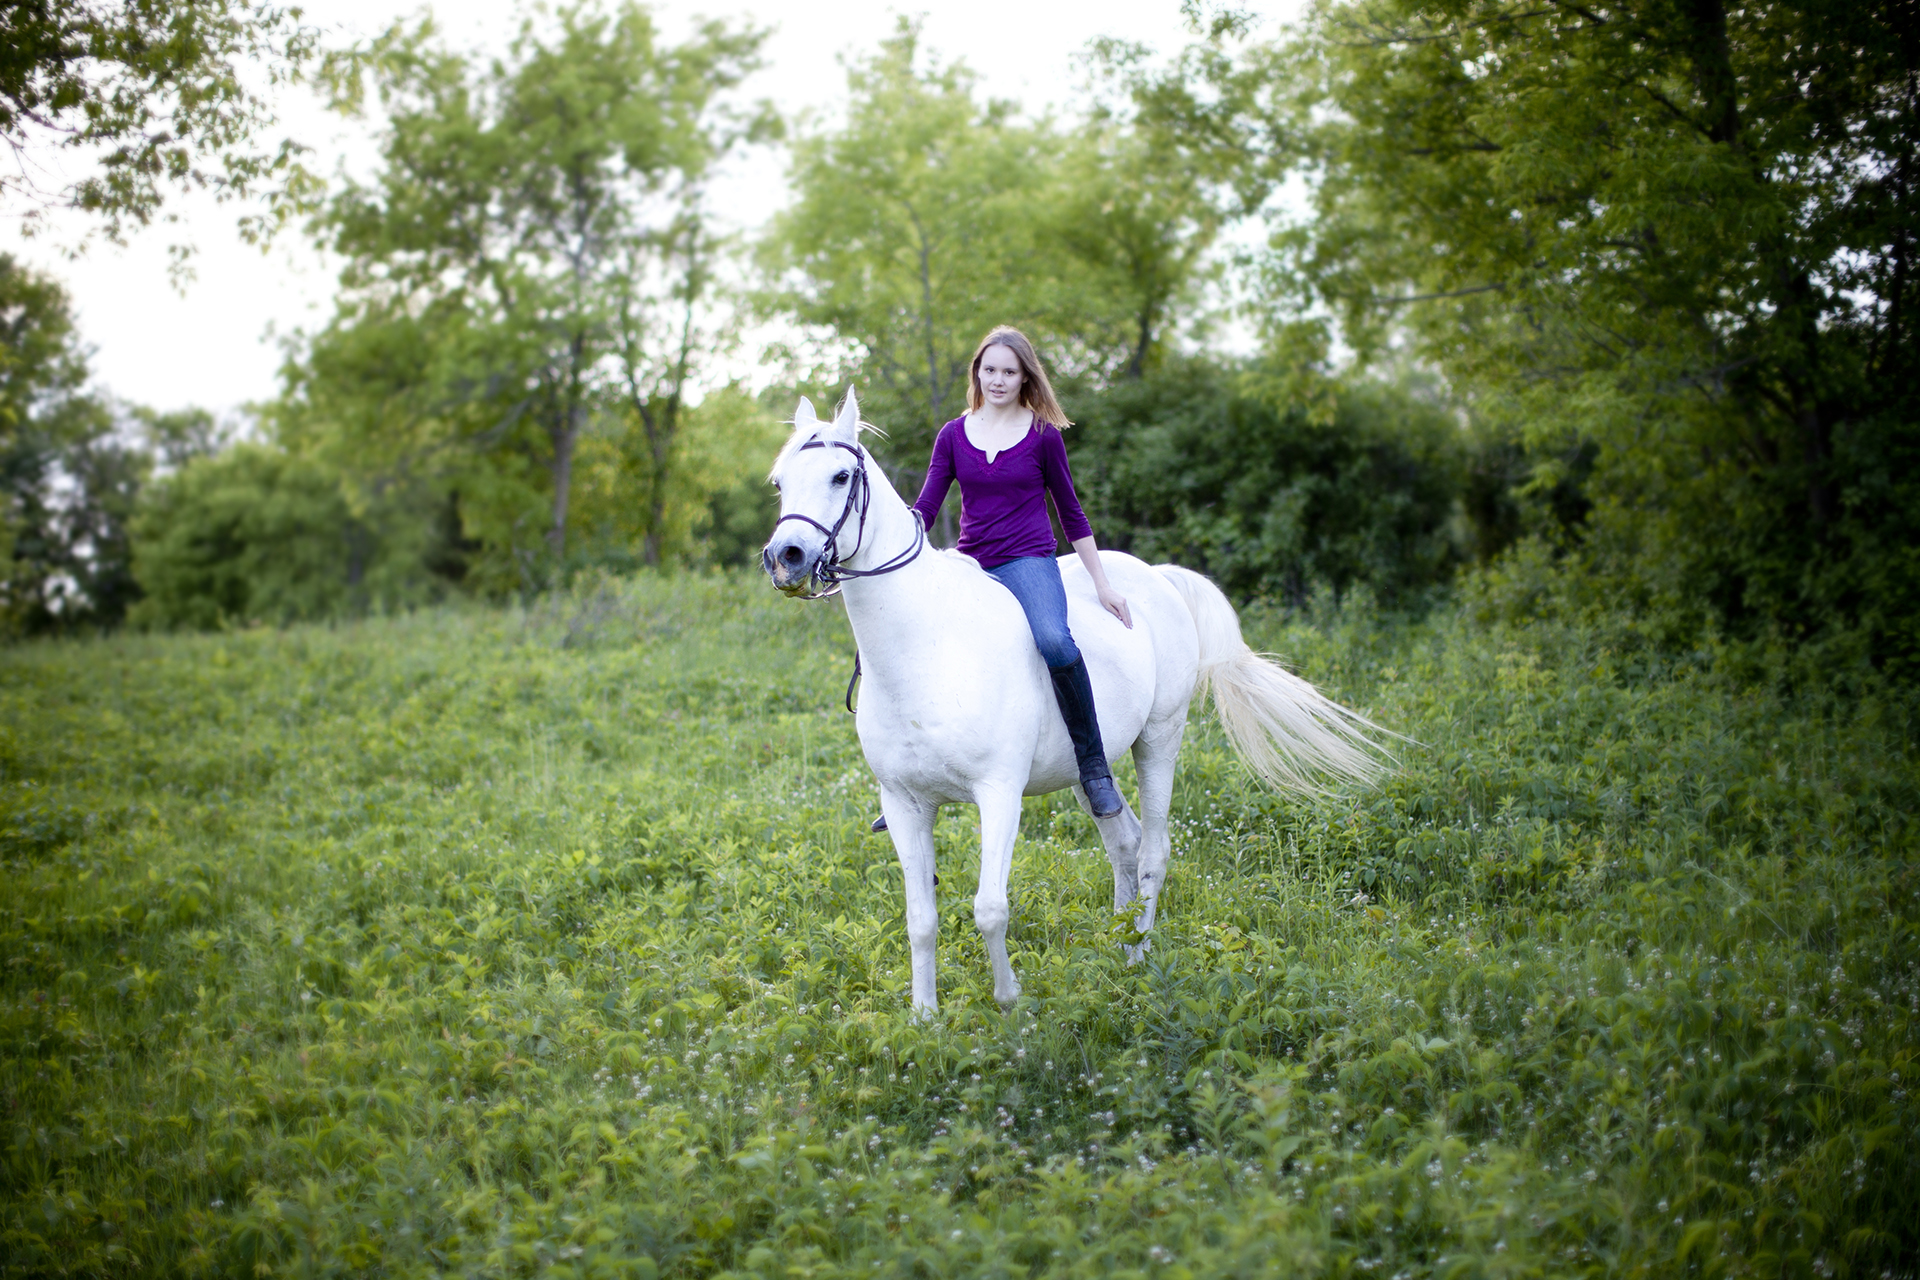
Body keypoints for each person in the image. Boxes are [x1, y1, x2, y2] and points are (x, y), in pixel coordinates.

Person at [873, 325, 1132, 833]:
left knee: (1056, 643)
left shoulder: (1042, 437)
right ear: (977, 373)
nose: (997, 379)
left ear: (1024, 377)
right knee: (905, 636)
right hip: (969, 562)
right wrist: (886, 541)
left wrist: (1102, 583)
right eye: (989, 370)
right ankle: (904, 782)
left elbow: (1071, 512)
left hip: (1028, 561)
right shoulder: (952, 435)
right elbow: (925, 507)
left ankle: (1094, 765)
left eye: (1008, 372)